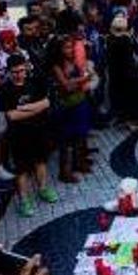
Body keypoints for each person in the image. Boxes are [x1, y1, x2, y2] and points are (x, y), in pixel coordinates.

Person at [0, 55, 57, 217]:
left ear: (26, 68)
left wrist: (23, 108)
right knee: (22, 169)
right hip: (18, 136)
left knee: (41, 161)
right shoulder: (5, 89)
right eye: (14, 72)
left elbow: (47, 103)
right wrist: (36, 108)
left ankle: (43, 189)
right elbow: (11, 116)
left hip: (38, 131)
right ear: (9, 72)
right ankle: (24, 200)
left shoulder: (34, 82)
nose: (19, 74)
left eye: (21, 70)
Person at [51, 35, 93, 183]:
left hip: (80, 102)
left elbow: (77, 81)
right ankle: (65, 172)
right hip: (66, 106)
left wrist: (77, 81)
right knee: (66, 140)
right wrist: (83, 79)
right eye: (66, 47)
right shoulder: (56, 66)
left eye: (71, 47)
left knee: (80, 136)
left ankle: (78, 163)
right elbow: (66, 86)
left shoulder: (75, 61)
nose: (70, 50)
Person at [106, 16, 138, 126]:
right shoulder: (126, 40)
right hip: (127, 73)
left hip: (115, 73)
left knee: (119, 97)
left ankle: (122, 119)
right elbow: (135, 51)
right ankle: (130, 121)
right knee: (130, 98)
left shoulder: (109, 39)